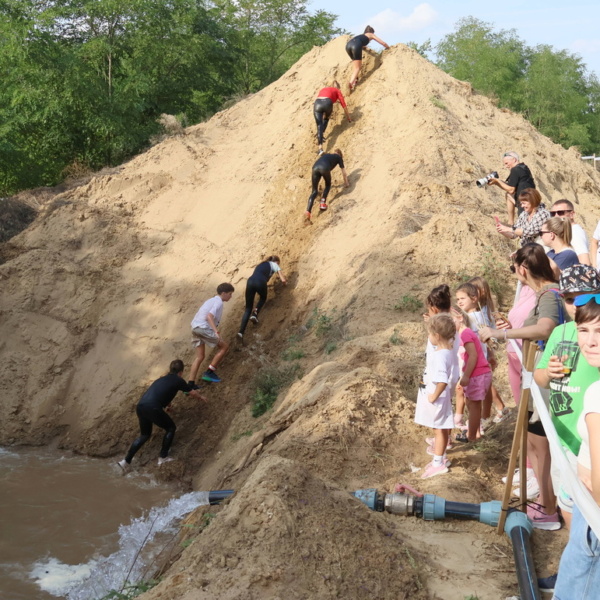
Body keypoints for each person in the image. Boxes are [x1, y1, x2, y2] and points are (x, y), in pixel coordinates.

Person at [480, 243, 567, 529]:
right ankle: (544, 501)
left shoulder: (549, 294)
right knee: (533, 442)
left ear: (523, 269)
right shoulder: (544, 293)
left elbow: (545, 328)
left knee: (540, 446)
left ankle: (548, 508)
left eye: (514, 267)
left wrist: (500, 334)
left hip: (544, 380)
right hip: (536, 376)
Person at [533, 265, 600, 594]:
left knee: (588, 526)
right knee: (571, 512)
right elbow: (539, 377)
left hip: (586, 448)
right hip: (563, 443)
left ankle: (581, 575)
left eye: (582, 298)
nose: (575, 305)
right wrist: (549, 372)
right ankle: (575, 569)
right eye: (569, 299)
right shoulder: (561, 333)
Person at [551, 293, 600, 599]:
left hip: (593, 520)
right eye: (583, 330)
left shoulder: (596, 394)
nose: (590, 341)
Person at [117, 359, 206, 471]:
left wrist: (167, 405)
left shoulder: (161, 379)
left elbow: (162, 393)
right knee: (171, 428)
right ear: (181, 372)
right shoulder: (178, 380)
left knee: (144, 435)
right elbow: (191, 392)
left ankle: (125, 461)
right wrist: (201, 397)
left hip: (141, 406)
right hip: (153, 407)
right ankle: (163, 457)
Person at [455, 281, 506, 428]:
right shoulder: (479, 314)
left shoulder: (471, 318)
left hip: (473, 361)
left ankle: (472, 424)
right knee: (480, 390)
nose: (459, 302)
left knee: (470, 396)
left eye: (462, 299)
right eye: (457, 299)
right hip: (479, 359)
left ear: (474, 298)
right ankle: (480, 420)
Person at [415, 313, 458, 479]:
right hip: (439, 397)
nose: (428, 337)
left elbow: (442, 381)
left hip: (437, 399)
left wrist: (433, 396)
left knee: (439, 430)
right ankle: (440, 458)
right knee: (441, 428)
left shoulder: (440, 356)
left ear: (437, 336)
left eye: (430, 334)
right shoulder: (446, 351)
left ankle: (438, 463)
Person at [453, 307, 492, 444]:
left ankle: (472, 437)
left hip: (477, 374)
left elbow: (473, 355)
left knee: (474, 406)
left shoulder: (465, 334)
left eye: (450, 321)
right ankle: (475, 432)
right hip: (477, 374)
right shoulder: (464, 333)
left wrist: (466, 376)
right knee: (471, 403)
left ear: (460, 318)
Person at [189, 283, 234, 384]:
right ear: (224, 293)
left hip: (195, 328)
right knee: (224, 347)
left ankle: (190, 384)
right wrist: (216, 332)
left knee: (200, 357)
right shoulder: (218, 302)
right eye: (230, 294)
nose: (231, 296)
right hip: (203, 328)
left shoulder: (210, 300)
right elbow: (209, 316)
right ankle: (209, 372)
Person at [238, 256, 287, 340]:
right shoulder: (275, 265)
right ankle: (254, 314)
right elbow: (283, 280)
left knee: (248, 308)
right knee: (263, 298)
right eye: (278, 263)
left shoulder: (260, 265)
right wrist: (286, 284)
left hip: (250, 281)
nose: (278, 265)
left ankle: (240, 332)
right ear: (276, 261)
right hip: (260, 281)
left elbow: (258, 275)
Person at [487, 151, 536, 226]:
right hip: (531, 200)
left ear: (514, 159)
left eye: (506, 163)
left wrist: (497, 181)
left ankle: (511, 223)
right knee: (509, 195)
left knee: (525, 226)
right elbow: (510, 188)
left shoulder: (515, 169)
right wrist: (496, 182)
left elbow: (511, 189)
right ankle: (510, 223)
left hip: (525, 202)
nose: (506, 166)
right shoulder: (523, 168)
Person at [305, 149, 349, 219]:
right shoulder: (339, 157)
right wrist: (346, 183)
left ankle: (308, 211)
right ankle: (322, 203)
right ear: (340, 154)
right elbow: (344, 172)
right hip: (324, 167)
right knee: (328, 185)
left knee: (314, 191)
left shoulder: (327, 155)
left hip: (315, 167)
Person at [345, 26, 389, 91]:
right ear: (371, 32)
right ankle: (350, 84)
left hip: (348, 45)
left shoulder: (361, 36)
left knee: (355, 66)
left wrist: (363, 47)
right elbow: (383, 43)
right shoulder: (371, 34)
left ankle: (354, 80)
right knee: (358, 68)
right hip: (356, 46)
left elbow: (358, 42)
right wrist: (388, 47)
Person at [313, 81, 351, 154]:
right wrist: (349, 118)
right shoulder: (337, 90)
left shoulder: (324, 89)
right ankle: (322, 133)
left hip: (317, 103)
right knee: (326, 118)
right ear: (338, 87)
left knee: (319, 125)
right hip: (327, 103)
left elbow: (317, 97)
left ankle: (320, 148)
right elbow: (344, 105)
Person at [549, 199, 590, 265]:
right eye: (553, 213)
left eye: (560, 213)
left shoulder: (575, 232)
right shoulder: (567, 231)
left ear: (571, 214)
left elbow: (584, 262)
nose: (556, 216)